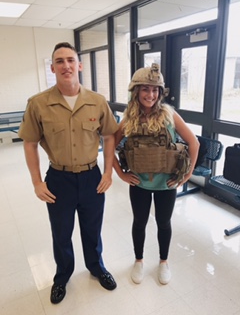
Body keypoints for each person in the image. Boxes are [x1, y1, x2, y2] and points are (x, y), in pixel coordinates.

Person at [18, 42, 119, 304]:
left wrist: (108, 172)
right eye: (60, 61)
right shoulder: (38, 104)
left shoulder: (97, 101)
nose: (66, 65)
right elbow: (29, 143)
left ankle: (97, 267)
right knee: (61, 232)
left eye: (70, 60)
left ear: (80, 65)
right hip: (59, 179)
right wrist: (37, 182)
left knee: (92, 229)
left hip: (91, 177)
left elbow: (109, 136)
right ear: (52, 67)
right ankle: (62, 276)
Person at [113, 63, 199, 285]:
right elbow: (109, 145)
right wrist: (121, 175)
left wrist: (187, 175)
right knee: (139, 222)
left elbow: (193, 142)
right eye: (145, 89)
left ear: (160, 93)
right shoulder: (129, 117)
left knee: (163, 223)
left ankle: (163, 262)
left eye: (155, 90)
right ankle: (139, 260)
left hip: (166, 184)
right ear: (136, 91)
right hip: (139, 183)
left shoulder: (169, 115)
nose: (150, 95)